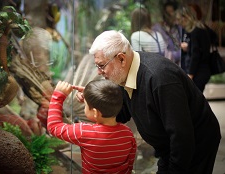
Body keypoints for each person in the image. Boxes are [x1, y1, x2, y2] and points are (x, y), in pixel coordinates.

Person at [74, 30, 221, 174]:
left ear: (121, 59)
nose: (99, 72)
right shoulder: (124, 73)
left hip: (195, 143)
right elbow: (122, 113)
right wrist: (93, 101)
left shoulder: (160, 78)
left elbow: (182, 136)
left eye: (101, 65)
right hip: (169, 145)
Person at [47, 80, 137, 174]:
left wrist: (58, 96)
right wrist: (90, 96)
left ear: (95, 112)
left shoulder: (84, 133)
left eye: (85, 105)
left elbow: (53, 127)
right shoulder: (127, 133)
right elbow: (130, 162)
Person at [177, 6, 212, 92]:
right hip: (199, 70)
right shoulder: (195, 29)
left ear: (186, 18)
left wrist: (190, 74)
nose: (179, 23)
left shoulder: (196, 31)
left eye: (180, 20)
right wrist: (188, 48)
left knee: (195, 100)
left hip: (198, 71)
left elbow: (196, 54)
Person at [152, 1, 182, 65]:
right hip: (166, 64)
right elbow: (160, 51)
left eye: (171, 11)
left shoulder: (179, 27)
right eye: (167, 12)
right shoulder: (157, 28)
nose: (169, 15)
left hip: (181, 64)